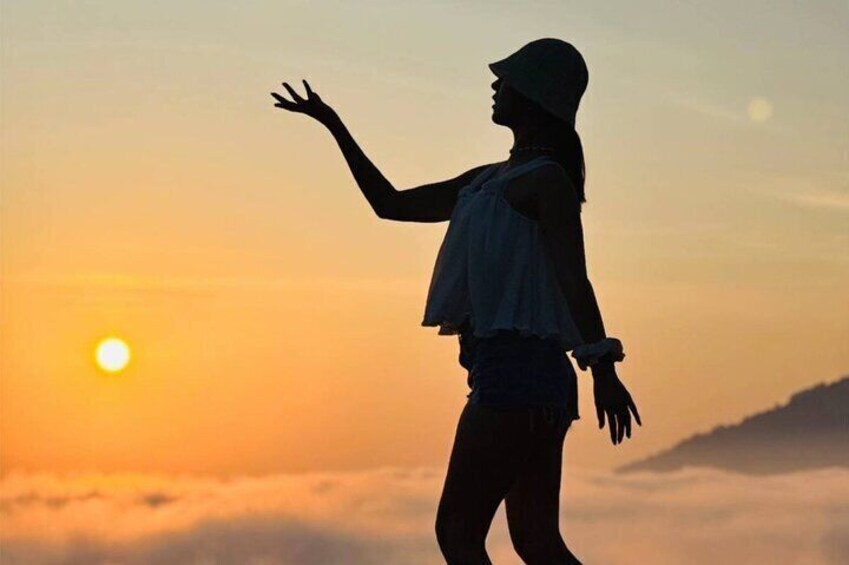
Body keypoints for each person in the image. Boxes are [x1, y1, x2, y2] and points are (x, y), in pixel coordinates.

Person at [271, 37, 641, 565]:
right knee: (536, 542)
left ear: (534, 97)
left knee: (458, 534)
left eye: (507, 80)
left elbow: (572, 279)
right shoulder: (487, 180)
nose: (495, 86)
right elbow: (390, 204)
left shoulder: (547, 182)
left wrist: (602, 366)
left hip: (517, 373)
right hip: (521, 375)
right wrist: (332, 125)